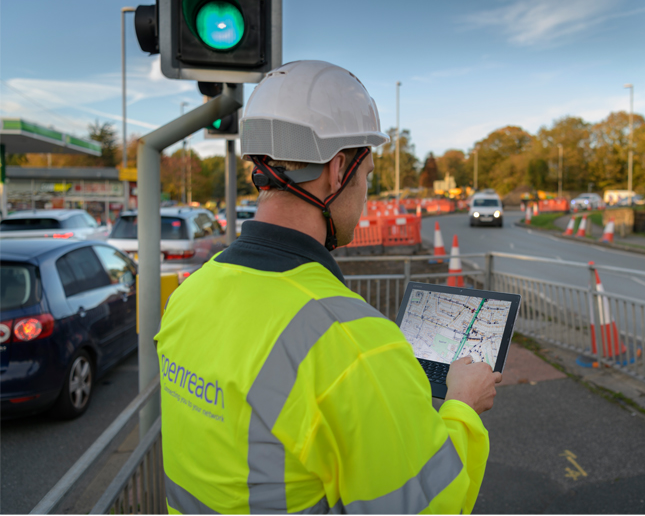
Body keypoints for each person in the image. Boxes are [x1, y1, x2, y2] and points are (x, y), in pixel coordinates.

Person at [155, 60, 501, 514]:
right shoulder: (354, 342)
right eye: (368, 175)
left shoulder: (191, 294)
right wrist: (462, 403)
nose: (365, 193)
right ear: (339, 171)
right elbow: (427, 503)